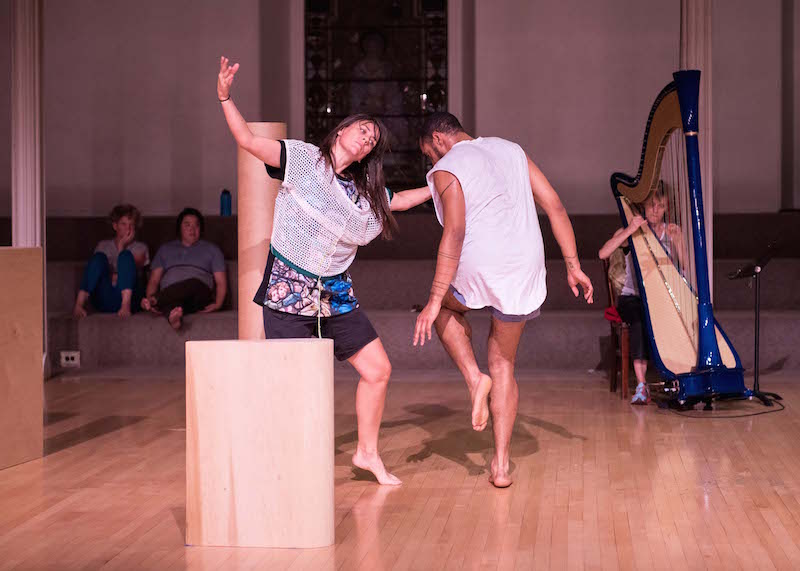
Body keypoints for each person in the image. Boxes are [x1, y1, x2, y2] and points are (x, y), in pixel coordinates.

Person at [217, 56, 431, 486]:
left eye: (373, 140)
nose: (367, 140)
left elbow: (402, 200)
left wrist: (445, 180)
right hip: (289, 291)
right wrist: (224, 95)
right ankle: (277, 466)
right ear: (342, 130)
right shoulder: (302, 160)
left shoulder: (360, 191)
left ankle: (367, 453)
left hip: (334, 295)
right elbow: (246, 139)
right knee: (290, 386)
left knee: (378, 369)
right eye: (363, 130)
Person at [413, 112, 594, 488]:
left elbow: (456, 231)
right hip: (524, 265)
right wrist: (573, 266)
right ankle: (500, 465)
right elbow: (555, 206)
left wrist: (433, 299)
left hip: (481, 261)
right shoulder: (511, 149)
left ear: (438, 140)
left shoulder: (448, 166)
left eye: (428, 154)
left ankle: (472, 378)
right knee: (504, 364)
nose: (432, 161)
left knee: (445, 308)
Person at [598, 183, 684, 405]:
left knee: (676, 318)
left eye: (661, 206)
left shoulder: (672, 231)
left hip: (662, 298)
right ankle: (641, 385)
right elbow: (603, 253)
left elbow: (686, 267)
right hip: (632, 298)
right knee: (638, 318)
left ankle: (677, 379)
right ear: (642, 207)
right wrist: (629, 229)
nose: (655, 210)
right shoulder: (631, 231)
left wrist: (678, 243)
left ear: (666, 208)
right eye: (651, 205)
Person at [141, 208, 227, 330]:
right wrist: (150, 296)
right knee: (175, 304)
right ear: (179, 228)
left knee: (193, 282)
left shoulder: (212, 250)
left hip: (199, 293)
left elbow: (221, 282)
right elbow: (154, 280)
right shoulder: (165, 249)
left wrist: (218, 304)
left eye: (196, 225)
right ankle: (174, 318)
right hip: (172, 296)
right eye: (187, 225)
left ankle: (155, 300)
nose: (192, 229)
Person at [73, 204, 149, 318]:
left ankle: (125, 306)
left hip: (131, 298)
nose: (128, 228)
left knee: (126, 256)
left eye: (131, 224)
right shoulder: (103, 246)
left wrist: (121, 246)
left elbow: (134, 270)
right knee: (98, 257)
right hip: (105, 296)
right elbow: (95, 272)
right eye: (124, 224)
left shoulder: (141, 247)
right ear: (115, 226)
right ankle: (79, 305)